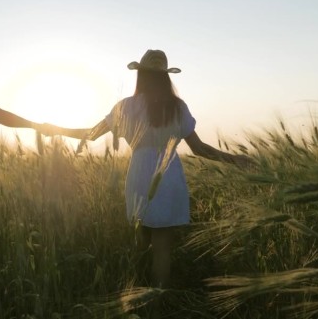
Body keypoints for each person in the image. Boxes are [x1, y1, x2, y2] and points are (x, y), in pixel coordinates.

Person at [44, 49, 253, 288]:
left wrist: (56, 129)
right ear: (166, 77)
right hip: (169, 174)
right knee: (162, 248)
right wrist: (236, 160)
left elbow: (91, 135)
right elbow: (199, 149)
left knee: (139, 241)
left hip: (139, 176)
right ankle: (158, 298)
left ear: (140, 76)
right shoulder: (177, 107)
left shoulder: (127, 106)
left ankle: (135, 295)